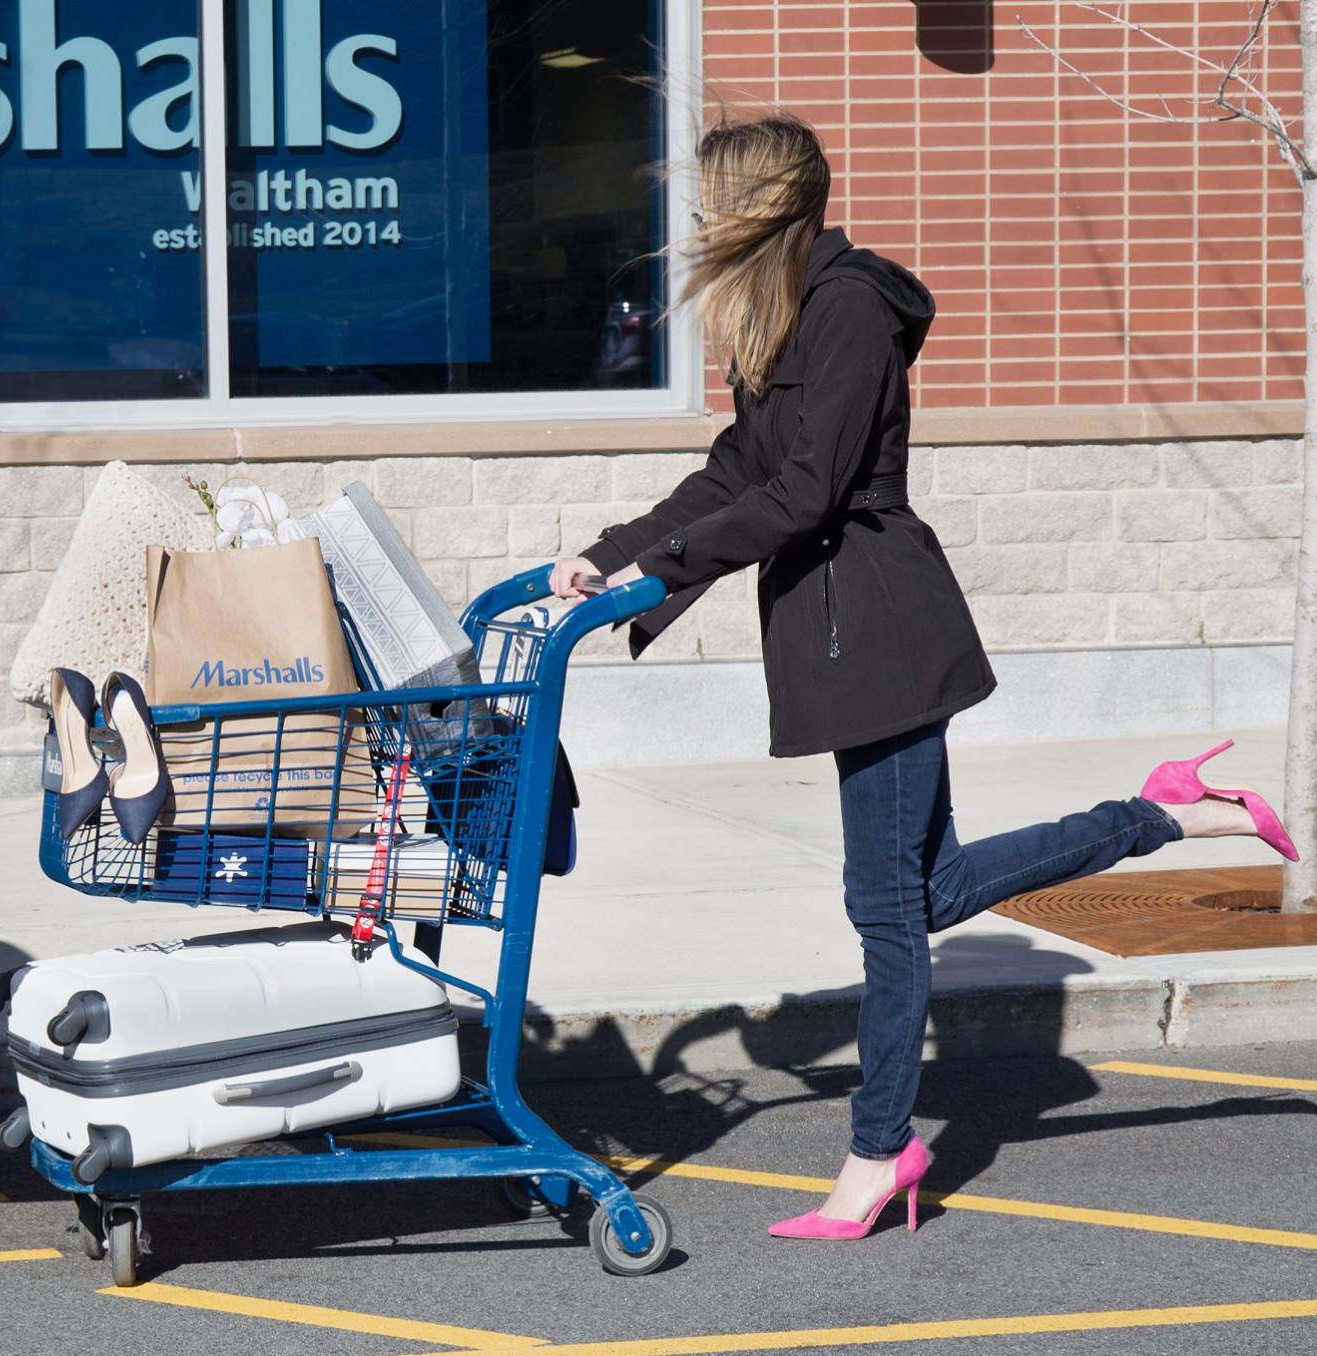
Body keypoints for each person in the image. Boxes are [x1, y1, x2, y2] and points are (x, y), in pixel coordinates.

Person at [551, 112, 1299, 1242]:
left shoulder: (845, 308)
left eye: (710, 205)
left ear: (760, 209)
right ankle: (1161, 812)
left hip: (884, 630)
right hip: (839, 635)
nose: (696, 224)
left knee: (887, 916)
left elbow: (805, 492)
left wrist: (659, 574)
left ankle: (876, 1151)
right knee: (928, 890)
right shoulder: (779, 316)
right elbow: (734, 472)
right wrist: (611, 554)